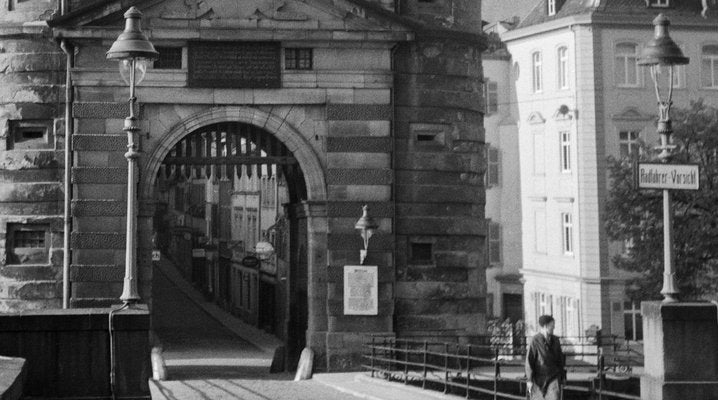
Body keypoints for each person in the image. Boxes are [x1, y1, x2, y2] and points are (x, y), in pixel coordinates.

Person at [525, 315, 565, 400]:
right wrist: (529, 379)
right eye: (552, 325)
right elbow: (529, 361)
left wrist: (563, 376)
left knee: (554, 397)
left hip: (553, 377)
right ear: (545, 326)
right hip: (538, 378)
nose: (553, 328)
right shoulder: (535, 341)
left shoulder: (556, 340)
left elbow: (560, 360)